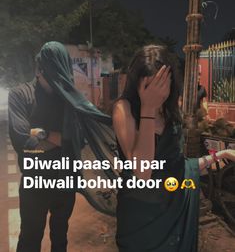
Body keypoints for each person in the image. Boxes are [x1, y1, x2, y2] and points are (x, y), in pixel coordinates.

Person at [112, 44, 235, 252]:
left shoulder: (171, 111)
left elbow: (179, 167)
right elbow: (142, 172)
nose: (156, 93)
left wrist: (220, 155)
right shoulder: (124, 109)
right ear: (137, 83)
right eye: (149, 86)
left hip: (174, 214)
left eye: (162, 84)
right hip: (142, 221)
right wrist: (147, 108)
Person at [8, 41, 118, 252]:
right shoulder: (21, 95)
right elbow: (24, 143)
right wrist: (61, 138)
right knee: (30, 239)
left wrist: (43, 135)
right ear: (39, 70)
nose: (60, 82)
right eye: (54, 76)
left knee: (60, 237)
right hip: (35, 183)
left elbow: (81, 139)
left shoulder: (69, 100)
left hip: (65, 182)